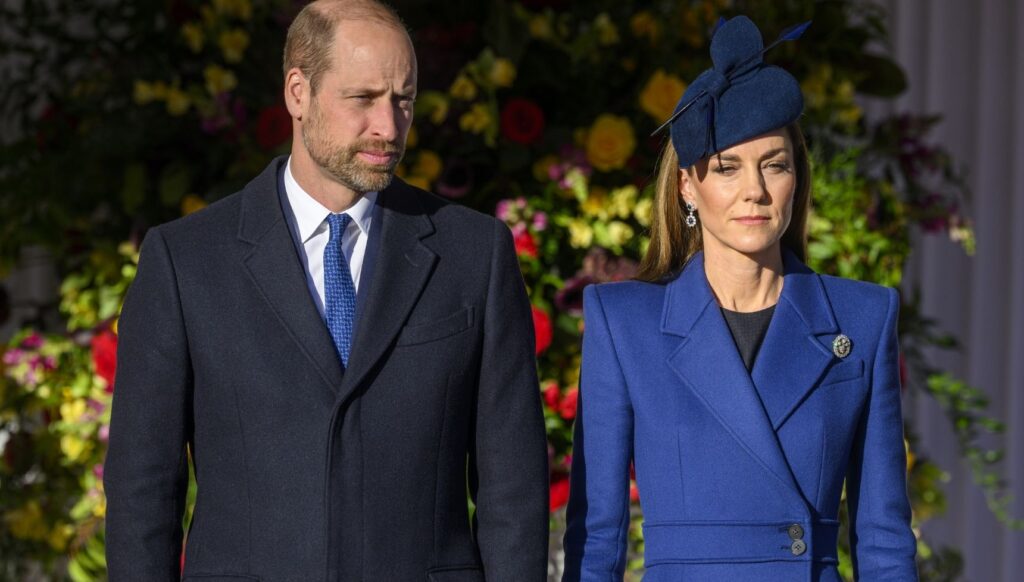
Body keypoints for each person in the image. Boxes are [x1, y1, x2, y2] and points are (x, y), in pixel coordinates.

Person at [104, 1, 549, 580]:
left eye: (404, 100)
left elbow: (513, 487)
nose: (388, 127)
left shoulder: (475, 253)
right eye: (362, 98)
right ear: (298, 92)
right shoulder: (186, 260)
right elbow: (142, 492)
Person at [562, 16, 918, 582]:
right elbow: (596, 540)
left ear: (796, 177)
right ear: (687, 185)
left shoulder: (861, 318)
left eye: (774, 165)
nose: (755, 190)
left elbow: (884, 541)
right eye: (727, 167)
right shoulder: (624, 322)